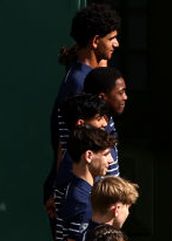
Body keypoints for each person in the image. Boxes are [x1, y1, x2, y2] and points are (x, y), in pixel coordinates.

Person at [46, 3, 120, 216]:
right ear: (95, 41)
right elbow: (68, 142)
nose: (116, 44)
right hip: (90, 196)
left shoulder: (87, 76)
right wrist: (58, 190)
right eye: (111, 38)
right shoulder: (80, 82)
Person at [83, 66, 127, 178]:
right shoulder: (88, 131)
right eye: (120, 93)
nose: (125, 97)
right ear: (103, 97)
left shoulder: (109, 119)